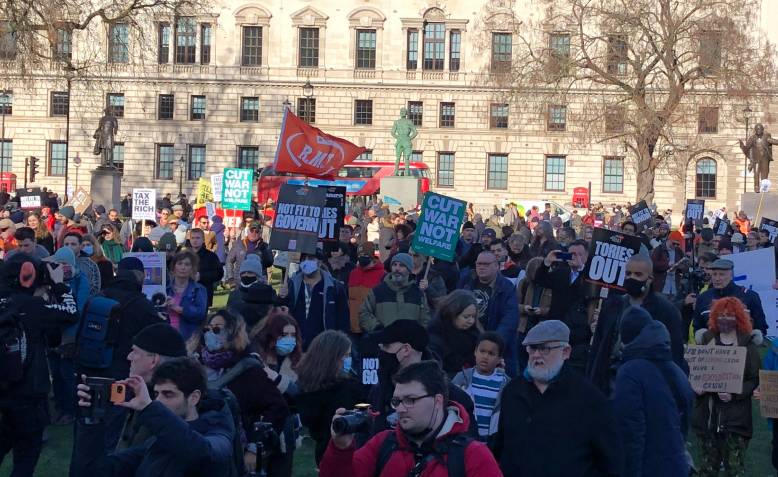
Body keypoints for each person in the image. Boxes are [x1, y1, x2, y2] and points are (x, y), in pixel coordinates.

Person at [319, 361, 502, 477]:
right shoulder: (383, 444)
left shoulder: (472, 456)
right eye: (397, 401)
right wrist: (340, 449)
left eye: (411, 400)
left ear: (438, 401)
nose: (400, 408)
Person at [490, 320, 623, 476]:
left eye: (545, 349)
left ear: (565, 352)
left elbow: (611, 463)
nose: (537, 355)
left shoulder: (590, 400)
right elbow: (500, 446)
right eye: (532, 348)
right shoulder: (512, 392)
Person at [76, 357, 236, 476]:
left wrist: (149, 407)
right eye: (156, 394)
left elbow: (202, 453)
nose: (158, 401)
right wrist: (93, 419)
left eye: (168, 394)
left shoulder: (219, 436)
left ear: (194, 398)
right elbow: (98, 471)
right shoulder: (154, 442)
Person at [69, 322, 187, 477]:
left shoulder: (170, 407)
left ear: (154, 361)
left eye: (135, 352)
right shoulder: (143, 396)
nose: (129, 356)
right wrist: (92, 418)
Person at [0, 253, 78, 476]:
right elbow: (71, 313)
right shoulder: (31, 306)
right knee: (25, 457)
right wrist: (59, 285)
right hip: (28, 394)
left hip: (4, 392)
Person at [188, 310, 291, 476]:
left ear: (232, 332)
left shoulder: (248, 368)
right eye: (208, 329)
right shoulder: (194, 365)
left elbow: (278, 407)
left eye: (217, 329)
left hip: (237, 448)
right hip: (201, 444)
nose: (210, 334)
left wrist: (254, 448)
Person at [611, 307, 693, 477]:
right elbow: (685, 421)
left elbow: (630, 433)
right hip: (676, 464)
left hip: (649, 468)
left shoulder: (629, 372)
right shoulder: (676, 370)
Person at [588, 254, 687, 395]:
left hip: (647, 387)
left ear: (650, 279)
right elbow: (598, 347)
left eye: (638, 274)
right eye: (628, 274)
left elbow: (675, 355)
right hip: (610, 384)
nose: (632, 278)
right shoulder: (613, 305)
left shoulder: (666, 310)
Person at [368, 319, 476, 436]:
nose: (381, 350)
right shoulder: (379, 390)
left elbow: (467, 444)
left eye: (386, 346)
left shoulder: (453, 397)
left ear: (406, 350)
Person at [692, 297, 761, 477]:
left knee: (735, 470)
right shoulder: (706, 339)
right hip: (707, 417)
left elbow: (754, 379)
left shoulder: (748, 344)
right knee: (707, 470)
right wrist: (697, 387)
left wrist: (735, 393)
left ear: (738, 317)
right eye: (721, 315)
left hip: (736, 420)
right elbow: (694, 371)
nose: (725, 318)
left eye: (729, 315)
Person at [295, 330, 367, 464]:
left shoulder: (306, 387)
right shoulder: (347, 389)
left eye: (349, 355)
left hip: (322, 453)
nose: (348, 360)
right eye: (345, 356)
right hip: (346, 452)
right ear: (331, 358)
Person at [534, 241, 593, 373]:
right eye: (572, 254)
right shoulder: (561, 272)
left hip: (578, 335)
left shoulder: (591, 277)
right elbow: (539, 280)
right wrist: (547, 262)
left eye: (580, 254)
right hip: (556, 329)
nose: (576, 257)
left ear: (587, 255)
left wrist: (581, 268)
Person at [456, 250, 519, 375]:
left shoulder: (506, 287)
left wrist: (493, 343)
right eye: (479, 264)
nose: (481, 267)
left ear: (496, 266)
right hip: (466, 344)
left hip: (494, 347)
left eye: (486, 264)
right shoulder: (466, 281)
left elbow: (510, 319)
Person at [278, 250, 349, 348]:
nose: (306, 262)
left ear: (319, 262)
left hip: (324, 346)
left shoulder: (334, 287)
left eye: (310, 258)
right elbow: (282, 312)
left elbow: (343, 319)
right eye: (303, 259)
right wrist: (282, 297)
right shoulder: (291, 284)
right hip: (295, 344)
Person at [451, 332, 509, 442]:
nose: (485, 356)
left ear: (499, 358)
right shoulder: (461, 378)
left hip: (491, 442)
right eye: (482, 351)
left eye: (491, 354)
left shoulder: (504, 382)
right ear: (475, 351)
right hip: (464, 439)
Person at [692, 258, 768, 335]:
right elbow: (697, 328)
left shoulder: (750, 296)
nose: (717, 278)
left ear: (731, 276)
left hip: (744, 345)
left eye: (721, 274)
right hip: (712, 346)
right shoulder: (703, 298)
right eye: (714, 274)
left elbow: (761, 328)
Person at [359, 252, 431, 332]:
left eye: (402, 265)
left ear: (409, 269)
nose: (397, 268)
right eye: (394, 265)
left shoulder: (418, 294)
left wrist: (414, 337)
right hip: (382, 341)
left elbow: (425, 320)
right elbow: (364, 313)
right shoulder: (377, 291)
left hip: (408, 343)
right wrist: (378, 329)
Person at [427, 290, 481, 378]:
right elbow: (434, 373)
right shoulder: (435, 337)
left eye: (473, 317)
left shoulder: (475, 335)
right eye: (466, 317)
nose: (471, 321)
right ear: (452, 314)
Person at [251, 309, 303, 397]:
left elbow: (299, 392)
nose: (290, 339)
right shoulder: (256, 358)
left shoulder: (297, 359)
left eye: (293, 335)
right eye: (284, 335)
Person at [515, 257, 552, 369]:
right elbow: (514, 305)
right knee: (520, 363)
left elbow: (555, 308)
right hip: (523, 329)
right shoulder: (524, 283)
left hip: (541, 330)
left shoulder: (551, 286)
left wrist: (542, 311)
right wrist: (524, 308)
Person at [226, 254, 278, 330]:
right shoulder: (234, 294)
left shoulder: (267, 292)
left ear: (257, 275)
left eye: (250, 272)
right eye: (243, 273)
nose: (246, 275)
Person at [166, 250, 208, 340]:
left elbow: (200, 314)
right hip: (166, 337)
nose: (183, 267)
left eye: (187, 264)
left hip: (188, 338)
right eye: (180, 263)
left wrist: (179, 309)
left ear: (192, 269)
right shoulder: (165, 289)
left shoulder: (199, 289)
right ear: (173, 267)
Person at [346, 242, 385, 335]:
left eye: (365, 254)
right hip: (353, 327)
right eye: (360, 255)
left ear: (372, 256)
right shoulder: (353, 273)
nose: (361, 257)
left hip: (371, 328)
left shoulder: (383, 274)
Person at [225, 221, 274, 286]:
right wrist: (231, 278)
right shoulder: (239, 244)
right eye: (251, 230)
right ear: (248, 231)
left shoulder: (265, 246)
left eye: (256, 231)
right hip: (240, 282)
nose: (253, 233)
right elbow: (229, 260)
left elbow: (269, 263)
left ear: (260, 233)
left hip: (259, 283)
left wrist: (264, 251)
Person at [186, 228, 223, 308]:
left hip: (204, 293)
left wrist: (201, 276)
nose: (195, 240)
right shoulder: (185, 255)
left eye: (197, 238)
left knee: (202, 319)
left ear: (203, 240)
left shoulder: (211, 256)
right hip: (186, 293)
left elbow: (219, 273)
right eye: (192, 238)